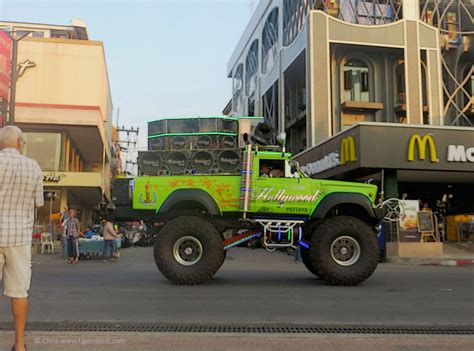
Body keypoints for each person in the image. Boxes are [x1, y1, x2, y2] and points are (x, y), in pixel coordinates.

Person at [0, 126, 44, 351]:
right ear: (19, 142)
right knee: (19, 291)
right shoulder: (33, 166)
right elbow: (38, 203)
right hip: (19, 236)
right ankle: (19, 345)